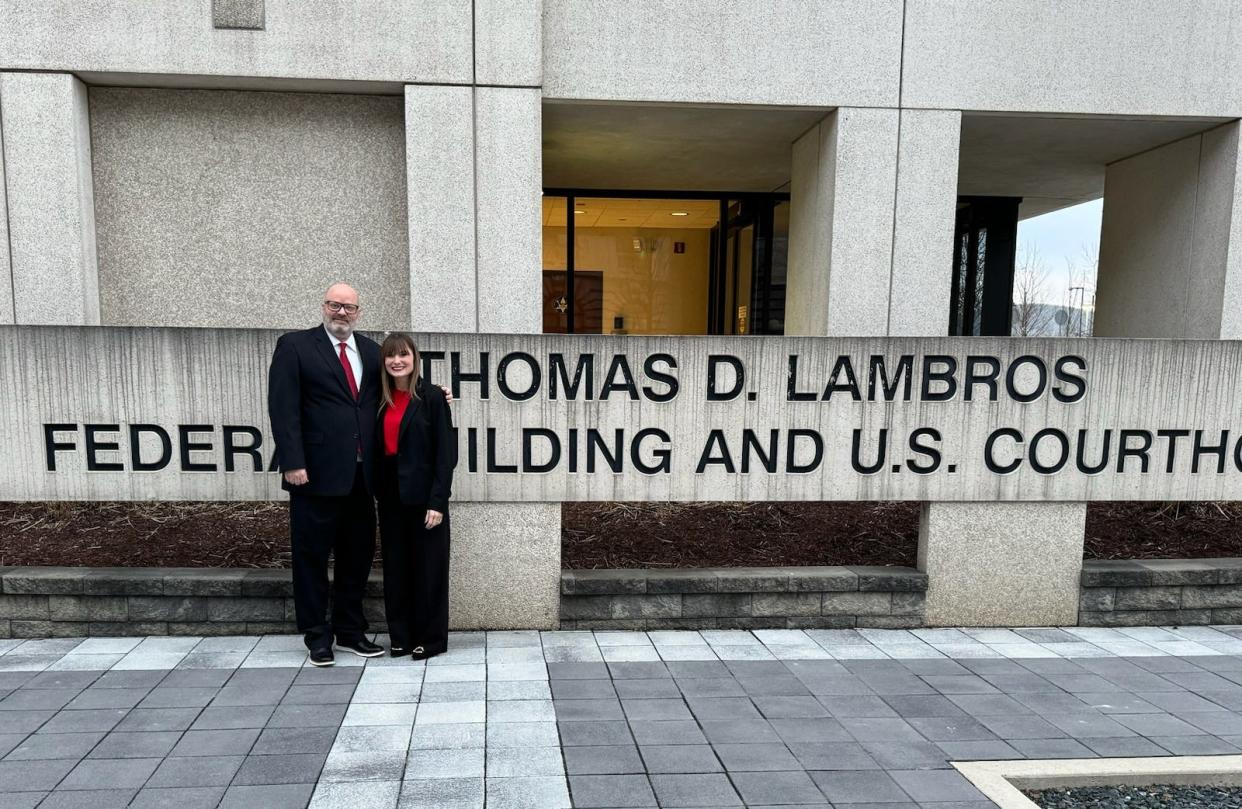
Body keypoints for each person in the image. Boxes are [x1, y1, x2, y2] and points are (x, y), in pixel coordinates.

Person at [267, 283, 387, 666]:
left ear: (358, 312)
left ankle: (350, 630)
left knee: (357, 556)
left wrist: (437, 394)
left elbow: (391, 396)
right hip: (314, 475)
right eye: (335, 305)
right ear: (324, 306)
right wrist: (292, 461)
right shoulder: (296, 346)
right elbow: (283, 408)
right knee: (312, 557)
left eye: (349, 307)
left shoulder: (370, 351)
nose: (341, 312)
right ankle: (317, 636)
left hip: (360, 477)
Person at [375, 332, 456, 660]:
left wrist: (438, 501)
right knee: (396, 569)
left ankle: (430, 639)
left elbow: (445, 453)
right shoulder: (378, 397)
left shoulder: (433, 397)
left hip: (426, 499)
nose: (397, 361)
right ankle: (401, 637)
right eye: (390, 356)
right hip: (390, 498)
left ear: (415, 358)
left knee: (429, 570)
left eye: (403, 355)